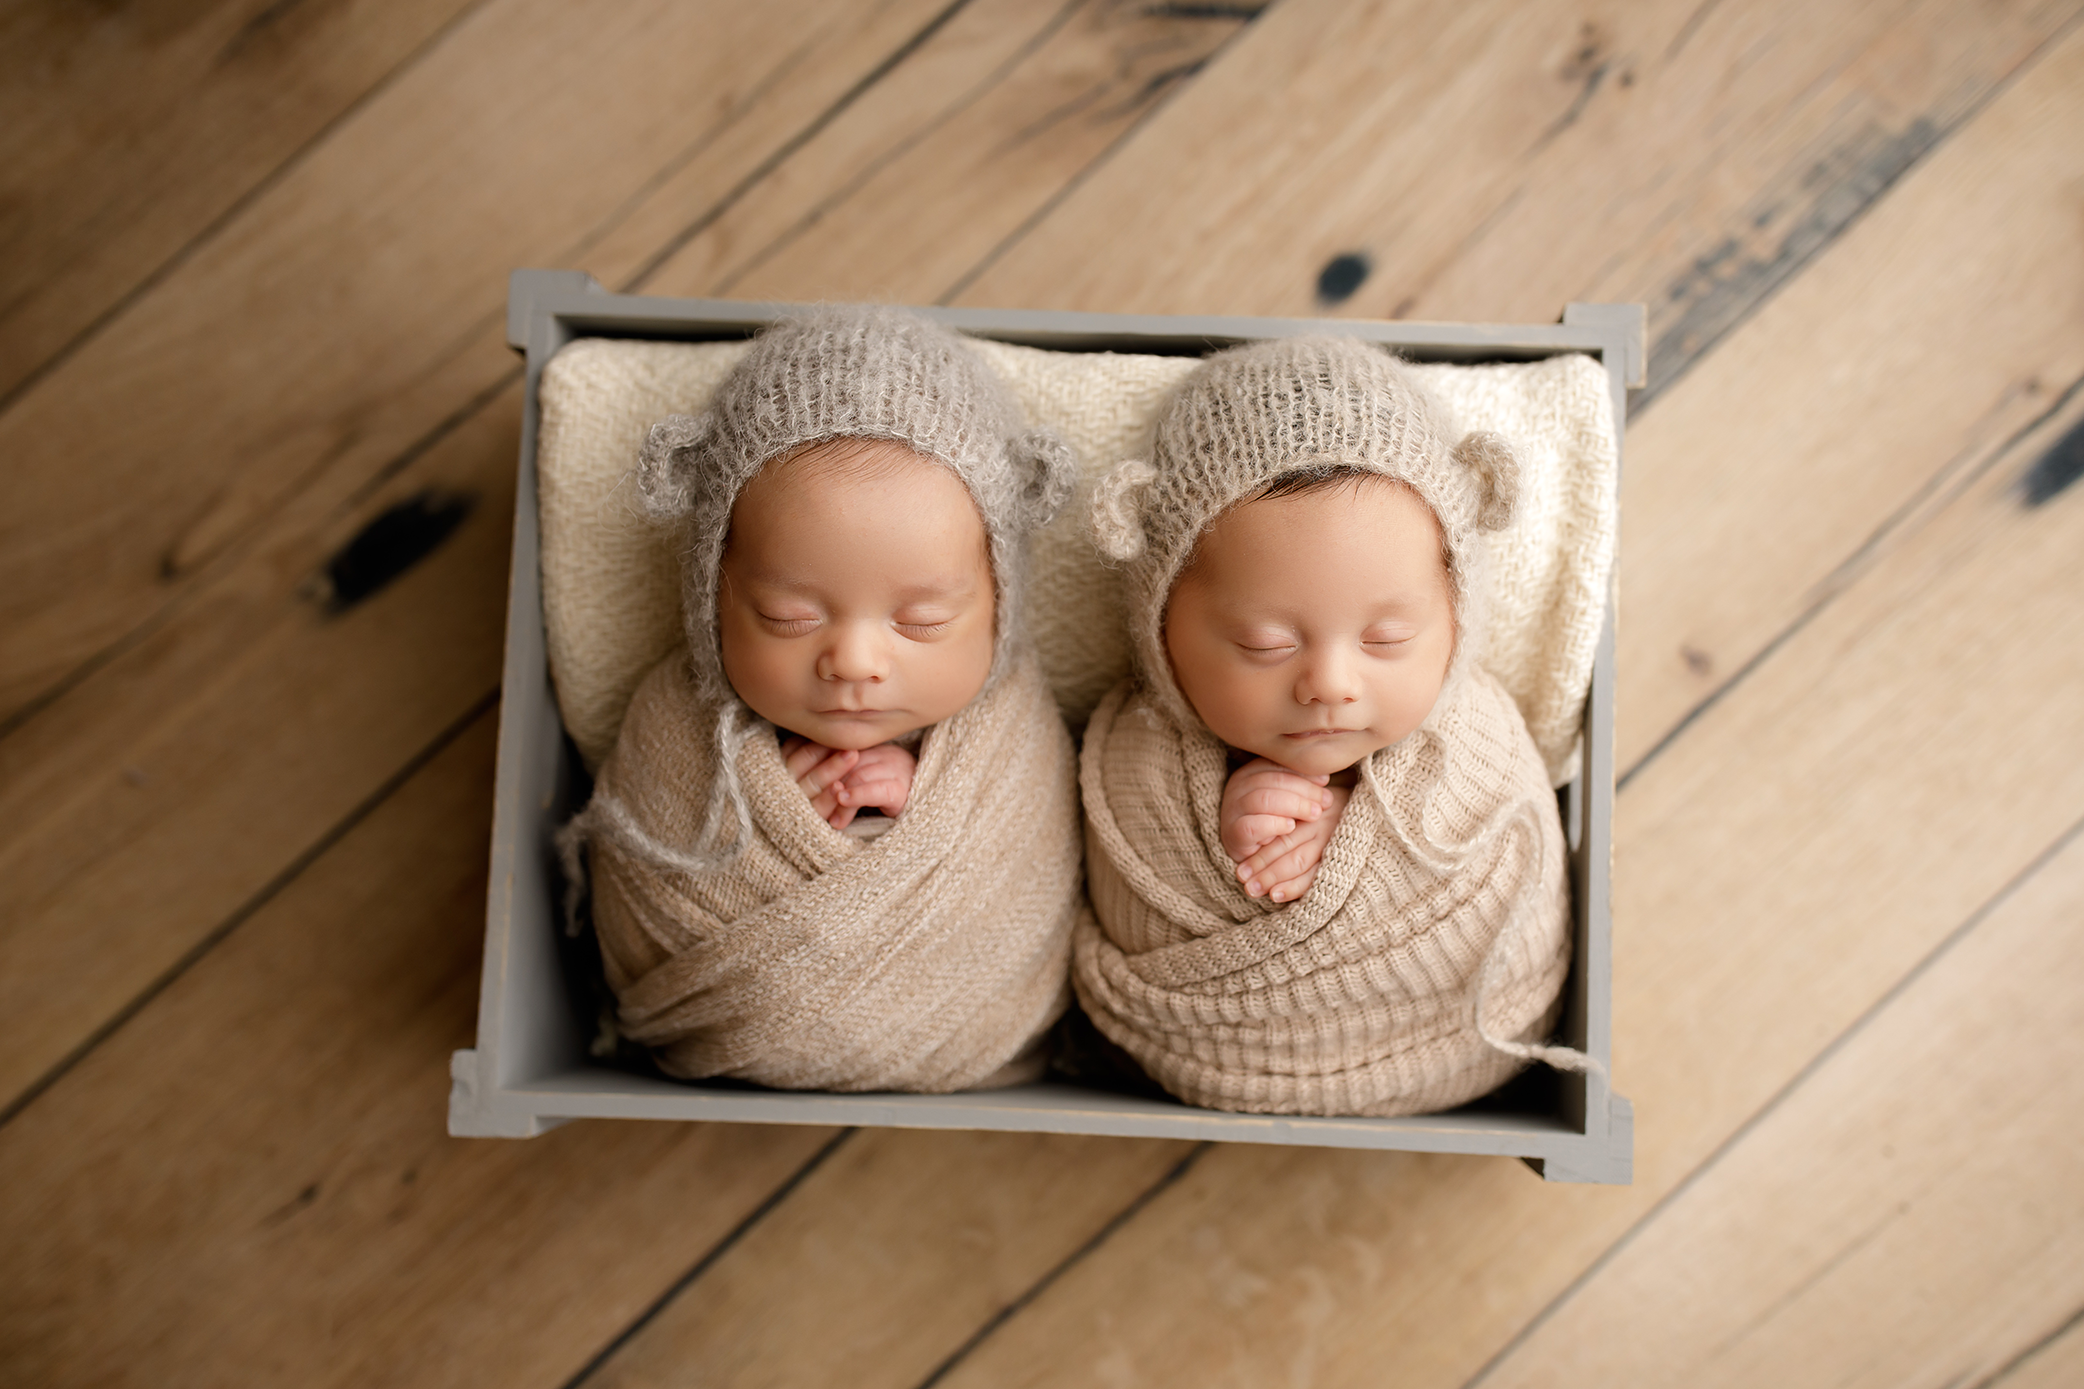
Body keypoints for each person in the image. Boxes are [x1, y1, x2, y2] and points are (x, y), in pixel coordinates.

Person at [563, 305, 1086, 1094]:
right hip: (716, 1038)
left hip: (973, 1037)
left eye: (921, 621)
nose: (852, 660)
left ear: (1000, 608)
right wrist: (766, 819)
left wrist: (915, 822)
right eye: (789, 618)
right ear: (712, 594)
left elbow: (1028, 874)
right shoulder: (676, 729)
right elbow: (647, 866)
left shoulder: (1014, 741)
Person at [1075, 334, 1587, 1117]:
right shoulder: (1135, 751)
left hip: (1472, 1034)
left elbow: (1502, 851)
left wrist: (1365, 844)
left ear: (1455, 617)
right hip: (1202, 1058)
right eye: (1264, 645)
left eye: (1386, 640)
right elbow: (1128, 886)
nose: (1329, 685)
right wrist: (1228, 831)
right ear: (1161, 625)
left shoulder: (1475, 735)